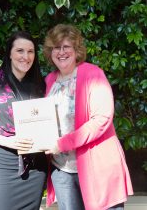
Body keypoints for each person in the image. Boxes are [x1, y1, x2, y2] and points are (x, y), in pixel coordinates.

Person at [42, 24, 133, 210]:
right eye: (55, 48)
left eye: (66, 46)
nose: (61, 52)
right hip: (63, 170)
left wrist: (61, 144)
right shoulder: (49, 80)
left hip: (97, 167)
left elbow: (101, 120)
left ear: (76, 50)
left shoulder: (93, 74)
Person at [0, 31, 47, 210]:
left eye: (31, 51)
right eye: (20, 50)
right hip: (3, 165)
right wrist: (9, 141)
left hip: (36, 168)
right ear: (10, 54)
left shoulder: (40, 85)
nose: (26, 57)